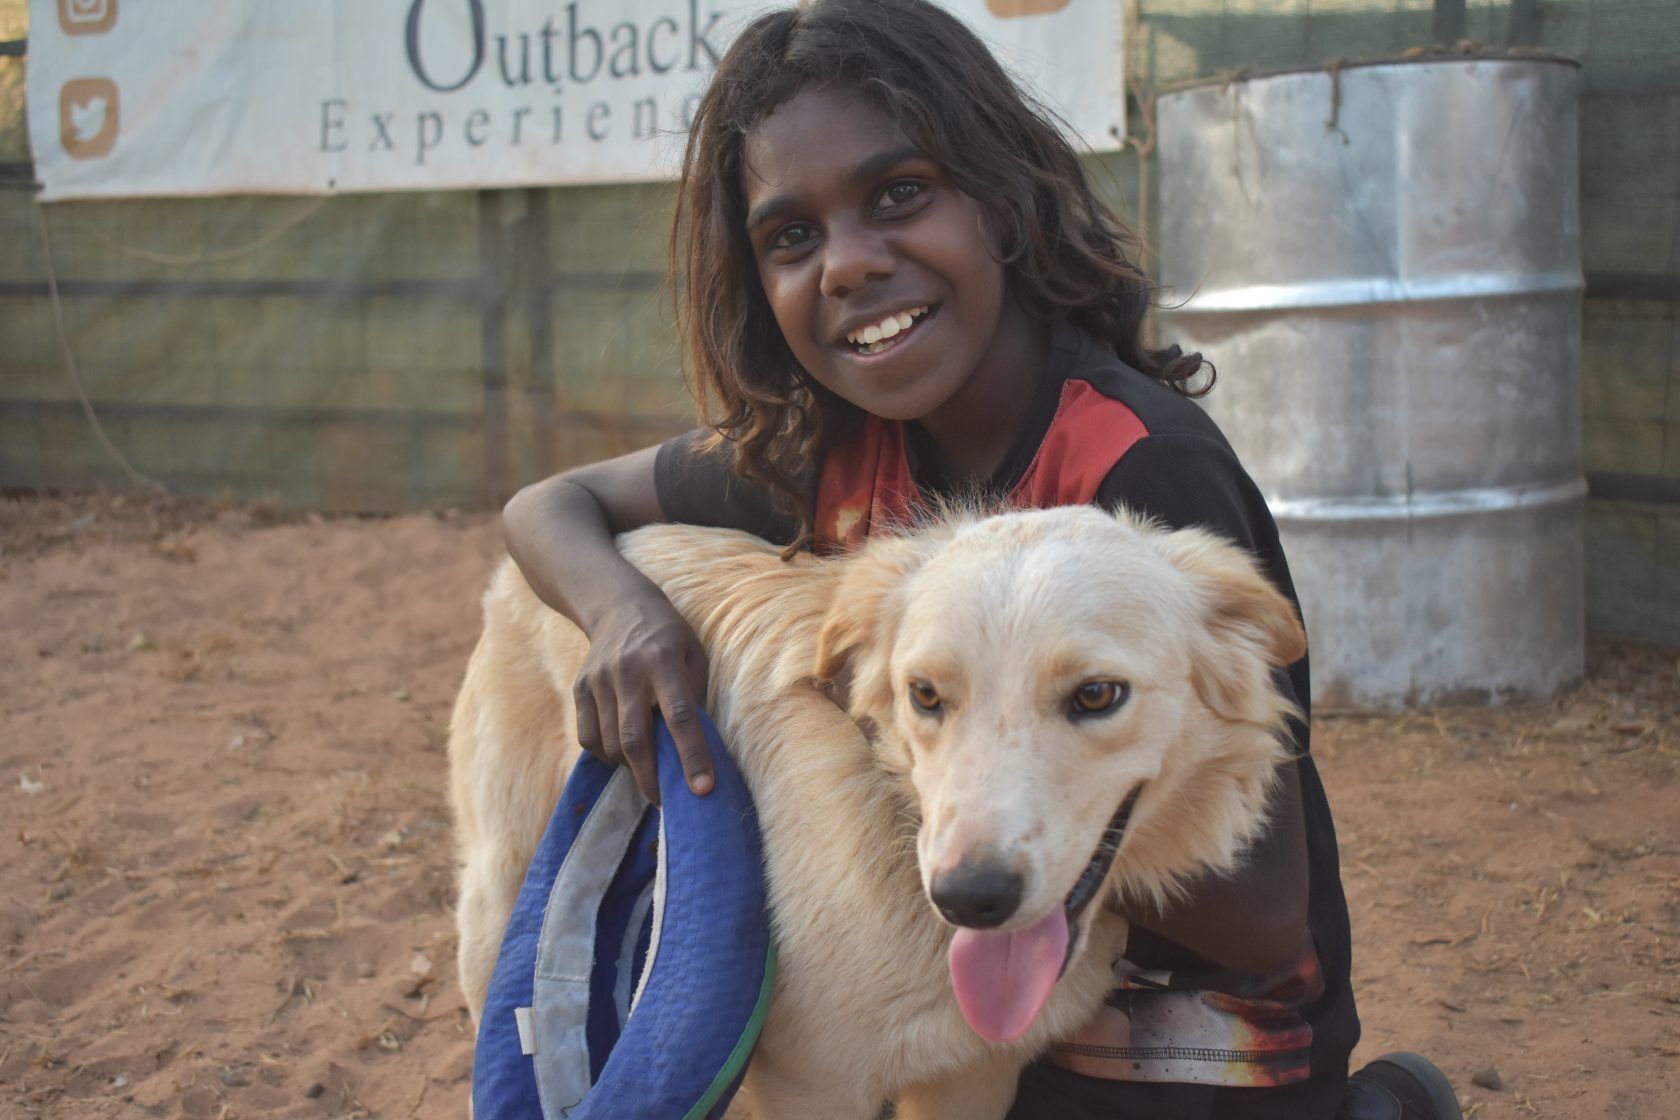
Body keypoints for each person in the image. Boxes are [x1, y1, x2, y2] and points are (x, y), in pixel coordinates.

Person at [502, 2, 1459, 1117]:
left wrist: (1017, 808)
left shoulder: (1145, 475)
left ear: (1001, 201)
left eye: (899, 193)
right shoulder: (824, 445)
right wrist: (624, 613)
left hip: (1201, 1025)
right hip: (971, 963)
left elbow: (1261, 916)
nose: (851, 263)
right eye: (792, 236)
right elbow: (549, 505)